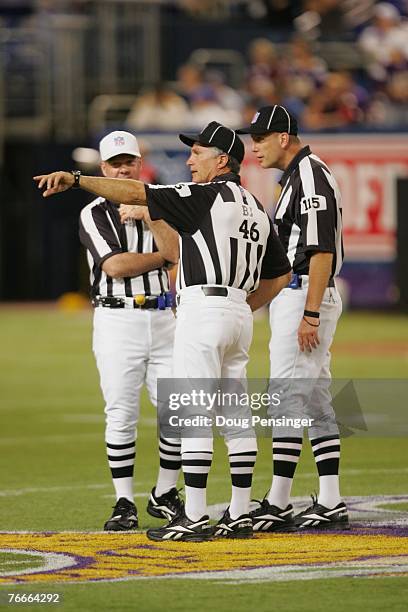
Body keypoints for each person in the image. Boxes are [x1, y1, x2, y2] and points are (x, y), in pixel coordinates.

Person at [34, 121, 291, 542]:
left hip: (202, 310)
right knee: (235, 415)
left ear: (222, 159)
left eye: (198, 153)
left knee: (191, 413)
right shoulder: (256, 205)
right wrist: (242, 306)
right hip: (238, 313)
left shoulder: (205, 195)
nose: (189, 160)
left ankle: (192, 513)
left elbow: (141, 195)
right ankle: (239, 512)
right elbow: (279, 275)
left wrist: (78, 179)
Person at [237, 105, 348, 531]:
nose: (254, 148)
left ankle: (279, 500)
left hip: (304, 292)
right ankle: (331, 500)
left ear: (283, 137)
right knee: (317, 397)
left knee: (286, 396)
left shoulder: (309, 175)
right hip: (298, 291)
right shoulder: (296, 177)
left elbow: (321, 250)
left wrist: (311, 313)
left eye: (260, 139)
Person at [77, 130, 183, 531]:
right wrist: (160, 257)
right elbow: (115, 267)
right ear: (103, 169)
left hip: (164, 317)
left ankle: (165, 492)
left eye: (129, 161)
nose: (124, 168)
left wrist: (151, 214)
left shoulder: (162, 200)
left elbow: (177, 250)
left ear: (140, 163)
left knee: (177, 410)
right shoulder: (94, 212)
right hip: (117, 317)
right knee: (120, 412)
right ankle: (123, 501)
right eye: (115, 163)